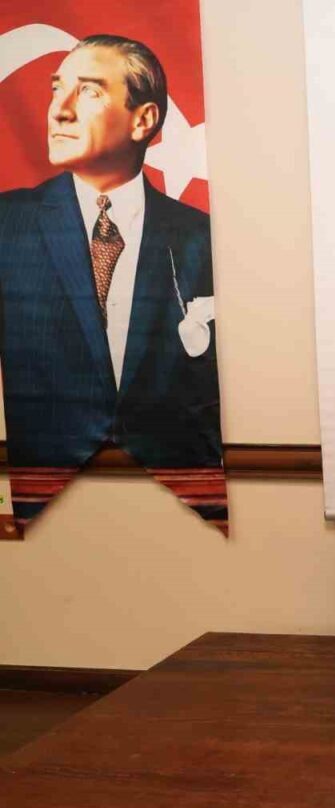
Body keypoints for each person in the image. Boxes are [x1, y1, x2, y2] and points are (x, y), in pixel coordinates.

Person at [0, 34, 222, 525]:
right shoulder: (7, 225)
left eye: (89, 91)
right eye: (57, 89)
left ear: (143, 120)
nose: (59, 111)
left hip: (180, 508)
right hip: (42, 503)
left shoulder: (202, 238)